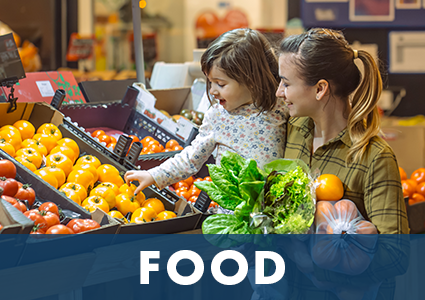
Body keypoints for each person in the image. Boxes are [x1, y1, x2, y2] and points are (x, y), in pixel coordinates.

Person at [273, 27, 409, 299]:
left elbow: (395, 255)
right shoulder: (293, 130)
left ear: (321, 89)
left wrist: (315, 266)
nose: (279, 92)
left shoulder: (373, 156)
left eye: (286, 83)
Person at [125, 28, 287, 194]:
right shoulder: (218, 116)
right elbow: (190, 158)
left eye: (221, 84)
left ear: (251, 80)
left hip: (271, 211)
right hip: (231, 213)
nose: (212, 91)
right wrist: (153, 175)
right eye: (210, 82)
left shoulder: (279, 107)